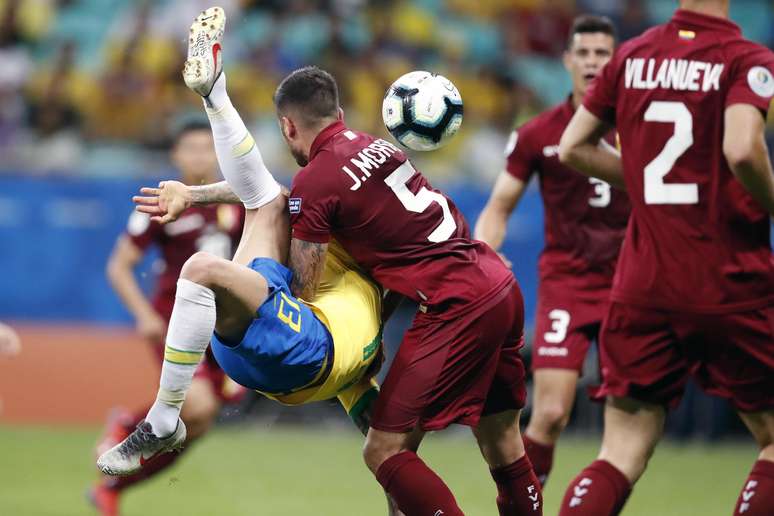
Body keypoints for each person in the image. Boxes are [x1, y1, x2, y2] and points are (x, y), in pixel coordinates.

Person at [97, 7, 399, 514]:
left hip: (296, 342)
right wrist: (194, 197)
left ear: (287, 127)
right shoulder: (366, 239)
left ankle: (163, 418)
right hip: (261, 338)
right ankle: (214, 89)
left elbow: (303, 282)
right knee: (268, 203)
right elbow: (274, 195)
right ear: (341, 119)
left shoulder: (340, 217)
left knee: (204, 267)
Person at [555, 0, 774, 514]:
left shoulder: (631, 56)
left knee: (621, 450)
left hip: (643, 285)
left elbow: (572, 147)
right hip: (728, 281)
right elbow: (742, 149)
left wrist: (652, 186)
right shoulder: (747, 59)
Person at [475, 15, 628, 488]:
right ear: (566, 61)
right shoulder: (539, 133)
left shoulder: (643, 126)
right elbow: (499, 205)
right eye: (582, 53)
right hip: (569, 282)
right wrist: (483, 254)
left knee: (630, 420)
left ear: (616, 61)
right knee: (552, 412)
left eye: (601, 54)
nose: (591, 63)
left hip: (632, 282)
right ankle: (524, 503)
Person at [90, 120, 245, 515]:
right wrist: (144, 315)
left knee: (197, 424)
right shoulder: (162, 200)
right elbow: (119, 266)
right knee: (197, 407)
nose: (198, 156)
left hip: (221, 325)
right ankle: (128, 423)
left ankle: (112, 488)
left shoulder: (234, 201)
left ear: (217, 154)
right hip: (175, 318)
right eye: (189, 148)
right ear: (175, 155)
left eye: (205, 148)